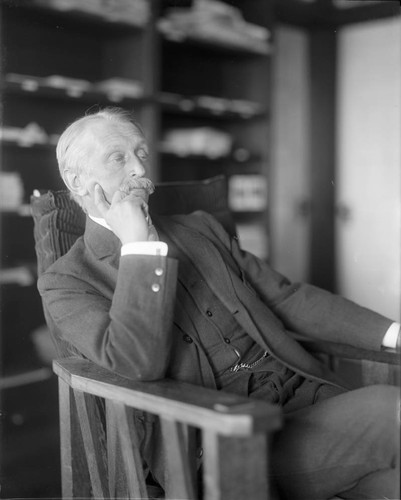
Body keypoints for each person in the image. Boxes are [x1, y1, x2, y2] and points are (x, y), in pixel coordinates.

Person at [38, 107, 400, 500]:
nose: (140, 169)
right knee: (390, 410)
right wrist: (138, 246)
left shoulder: (200, 228)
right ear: (77, 181)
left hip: (306, 399)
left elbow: (286, 296)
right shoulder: (67, 280)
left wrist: (394, 334)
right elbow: (137, 362)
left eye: (141, 153)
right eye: (118, 157)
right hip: (220, 436)